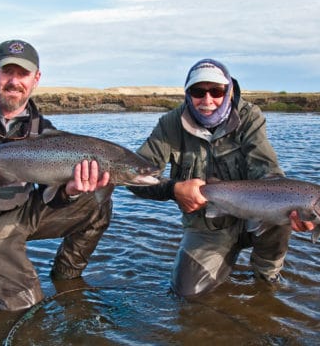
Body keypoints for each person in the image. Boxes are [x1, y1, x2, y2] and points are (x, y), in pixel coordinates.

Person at [128, 58, 315, 297]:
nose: (207, 101)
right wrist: (174, 189)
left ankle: (266, 277)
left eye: (216, 91)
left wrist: (298, 214)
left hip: (259, 217)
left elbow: (266, 171)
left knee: (283, 209)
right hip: (208, 225)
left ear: (228, 92)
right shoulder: (170, 124)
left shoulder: (249, 117)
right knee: (186, 294)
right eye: (198, 92)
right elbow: (134, 176)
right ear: (188, 93)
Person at [0, 40, 114, 311]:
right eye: (7, 72)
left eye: (23, 74)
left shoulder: (46, 131)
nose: (14, 81)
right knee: (25, 305)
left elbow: (49, 198)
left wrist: (70, 192)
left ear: (36, 79)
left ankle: (66, 279)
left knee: (98, 200)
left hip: (19, 216)